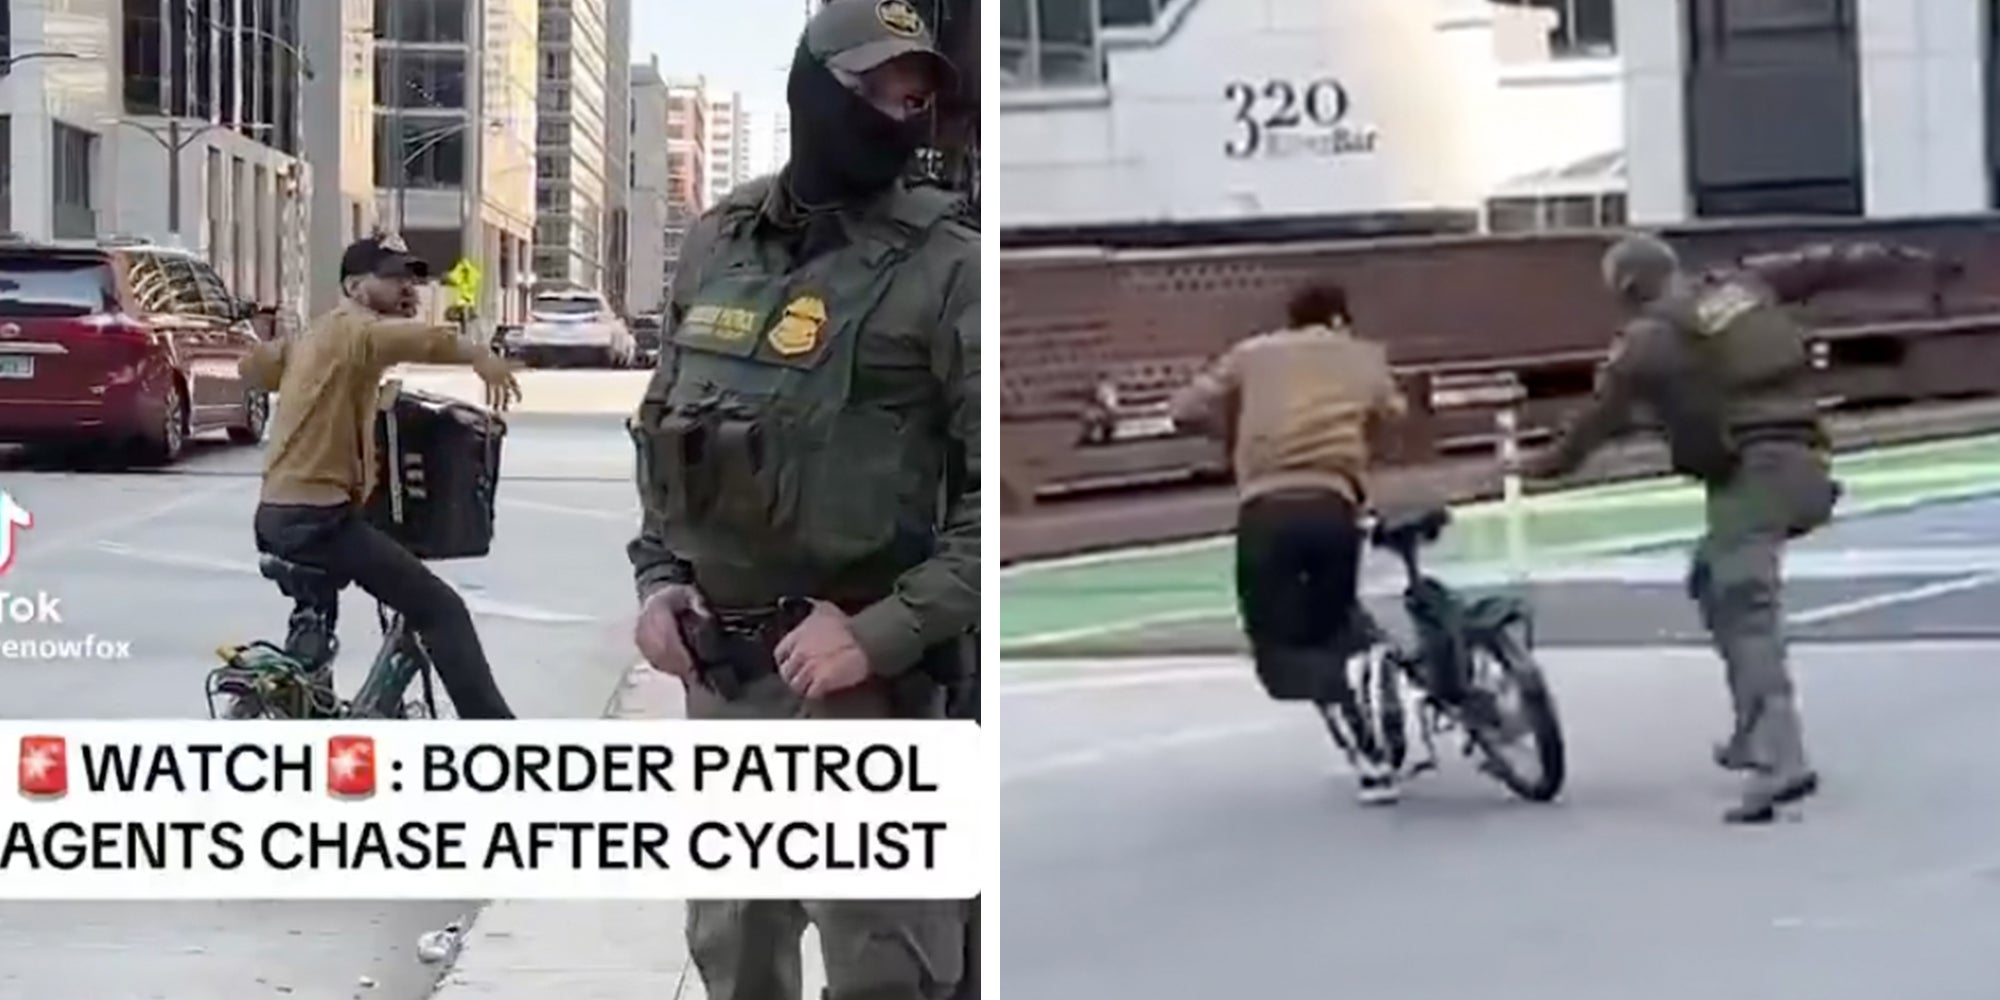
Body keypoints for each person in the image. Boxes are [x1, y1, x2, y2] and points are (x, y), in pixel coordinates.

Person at [624, 1, 976, 997]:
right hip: (723, 675)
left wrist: (878, 634)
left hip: (866, 691)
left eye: (917, 99)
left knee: (882, 969)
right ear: (812, 91)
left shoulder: (951, 269)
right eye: (876, 91)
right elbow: (667, 431)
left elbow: (996, 506)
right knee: (734, 956)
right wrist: (658, 581)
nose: (900, 116)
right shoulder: (718, 243)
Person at [1520, 232, 1957, 823]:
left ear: (1627, 288)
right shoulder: (1744, 286)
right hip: (1804, 462)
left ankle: (1781, 760)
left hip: (1754, 475)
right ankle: (1753, 732)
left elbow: (1597, 423)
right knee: (1709, 579)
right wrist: (1920, 266)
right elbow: (1829, 262)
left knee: (1743, 606)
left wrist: (1542, 467)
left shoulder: (1645, 342)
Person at [237, 233, 522, 720]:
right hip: (318, 517)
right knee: (441, 610)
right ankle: (498, 736)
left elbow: (252, 369)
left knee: (315, 635)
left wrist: (282, 354)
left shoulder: (320, 334)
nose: (407, 289)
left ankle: (307, 701)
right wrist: (477, 355)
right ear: (354, 285)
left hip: (281, 513)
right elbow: (413, 339)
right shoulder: (356, 330)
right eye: (391, 279)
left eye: (411, 279)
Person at [1169, 282, 1414, 805]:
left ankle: (1368, 757)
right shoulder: (1362, 357)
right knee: (1331, 624)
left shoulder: (1252, 354)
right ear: (1340, 320)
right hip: (1335, 505)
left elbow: (1185, 408)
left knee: (1284, 641)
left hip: (1267, 507)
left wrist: (1234, 436)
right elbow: (1396, 416)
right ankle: (1368, 658)